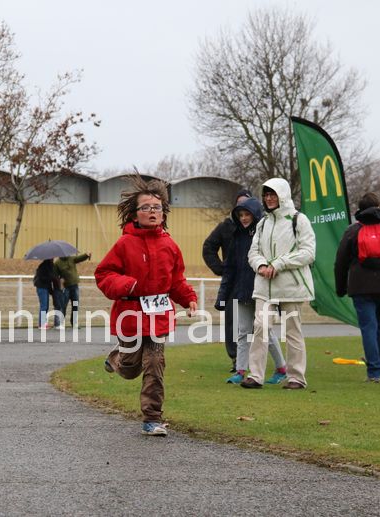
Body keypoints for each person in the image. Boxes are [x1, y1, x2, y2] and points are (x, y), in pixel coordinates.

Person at [95, 176, 197, 436]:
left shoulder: (170, 246)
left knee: (154, 364)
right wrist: (126, 284)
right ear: (135, 213)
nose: (152, 212)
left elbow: (176, 280)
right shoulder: (124, 244)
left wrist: (188, 298)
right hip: (130, 316)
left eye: (157, 207)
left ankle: (152, 418)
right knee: (130, 369)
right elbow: (103, 274)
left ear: (163, 212)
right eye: (146, 207)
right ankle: (117, 358)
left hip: (159, 317)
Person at [241, 178, 315, 390]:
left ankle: (296, 378)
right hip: (264, 286)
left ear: (282, 194)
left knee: (293, 331)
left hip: (291, 287)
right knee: (260, 327)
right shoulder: (263, 223)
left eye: (272, 194)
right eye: (266, 194)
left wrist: (279, 264)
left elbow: (308, 253)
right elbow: (253, 252)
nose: (269, 198)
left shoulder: (299, 220)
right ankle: (255, 375)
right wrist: (261, 265)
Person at [335, 192, 380, 383]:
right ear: (379, 206)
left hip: (360, 286)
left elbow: (340, 262)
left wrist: (341, 287)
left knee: (368, 327)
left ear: (360, 209)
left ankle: (374, 371)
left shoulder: (352, 231)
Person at [215, 196, 287, 385]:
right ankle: (240, 370)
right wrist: (222, 297)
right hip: (241, 292)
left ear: (255, 215)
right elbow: (230, 269)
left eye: (247, 214)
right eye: (240, 215)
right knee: (243, 332)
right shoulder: (236, 238)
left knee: (264, 331)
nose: (244, 218)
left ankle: (281, 368)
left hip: (262, 292)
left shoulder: (265, 236)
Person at [203, 189, 254, 372]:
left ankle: (254, 357)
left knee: (257, 322)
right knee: (233, 321)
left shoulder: (260, 226)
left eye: (246, 204)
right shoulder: (226, 226)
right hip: (233, 282)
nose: (243, 211)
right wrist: (220, 268)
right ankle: (236, 358)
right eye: (239, 205)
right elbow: (208, 247)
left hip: (255, 281)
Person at [55, 252, 91, 327]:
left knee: (75, 305)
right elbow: (55, 275)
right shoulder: (57, 263)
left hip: (75, 286)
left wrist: (86, 255)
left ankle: (74, 323)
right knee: (63, 305)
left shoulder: (71, 259)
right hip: (65, 287)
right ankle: (61, 322)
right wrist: (60, 283)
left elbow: (79, 258)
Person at [33, 259, 62, 329]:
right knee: (44, 306)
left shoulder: (50, 265)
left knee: (45, 306)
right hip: (41, 287)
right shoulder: (43, 266)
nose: (53, 259)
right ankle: (42, 324)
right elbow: (43, 278)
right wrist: (52, 278)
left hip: (45, 287)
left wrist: (51, 289)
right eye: (52, 258)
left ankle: (43, 323)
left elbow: (50, 278)